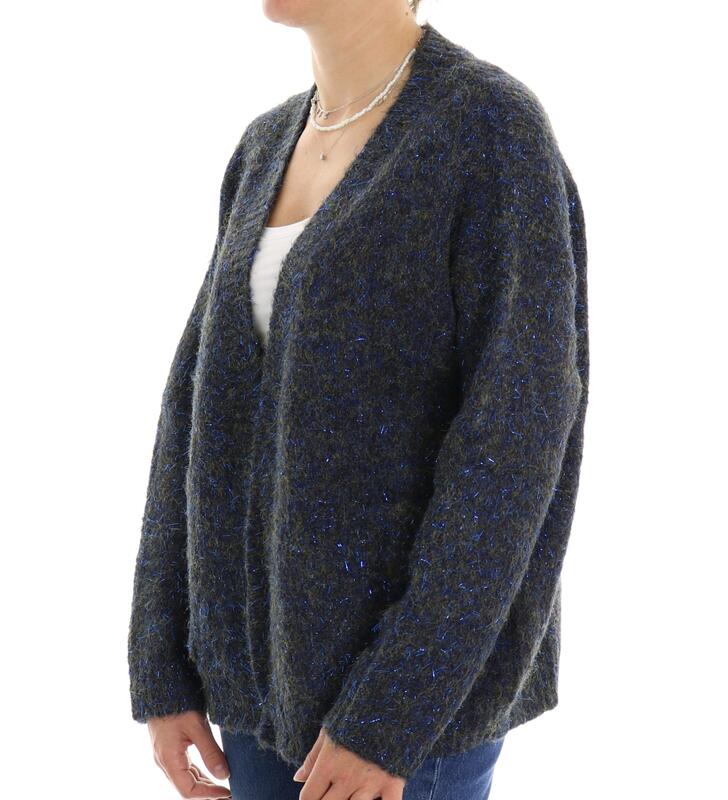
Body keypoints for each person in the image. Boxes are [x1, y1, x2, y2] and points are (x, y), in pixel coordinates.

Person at [128, 2, 590, 799]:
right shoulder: (264, 145)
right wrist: (164, 659)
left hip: (406, 720)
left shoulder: (488, 128)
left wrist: (392, 710)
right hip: (255, 697)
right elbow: (195, 416)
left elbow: (515, 444)